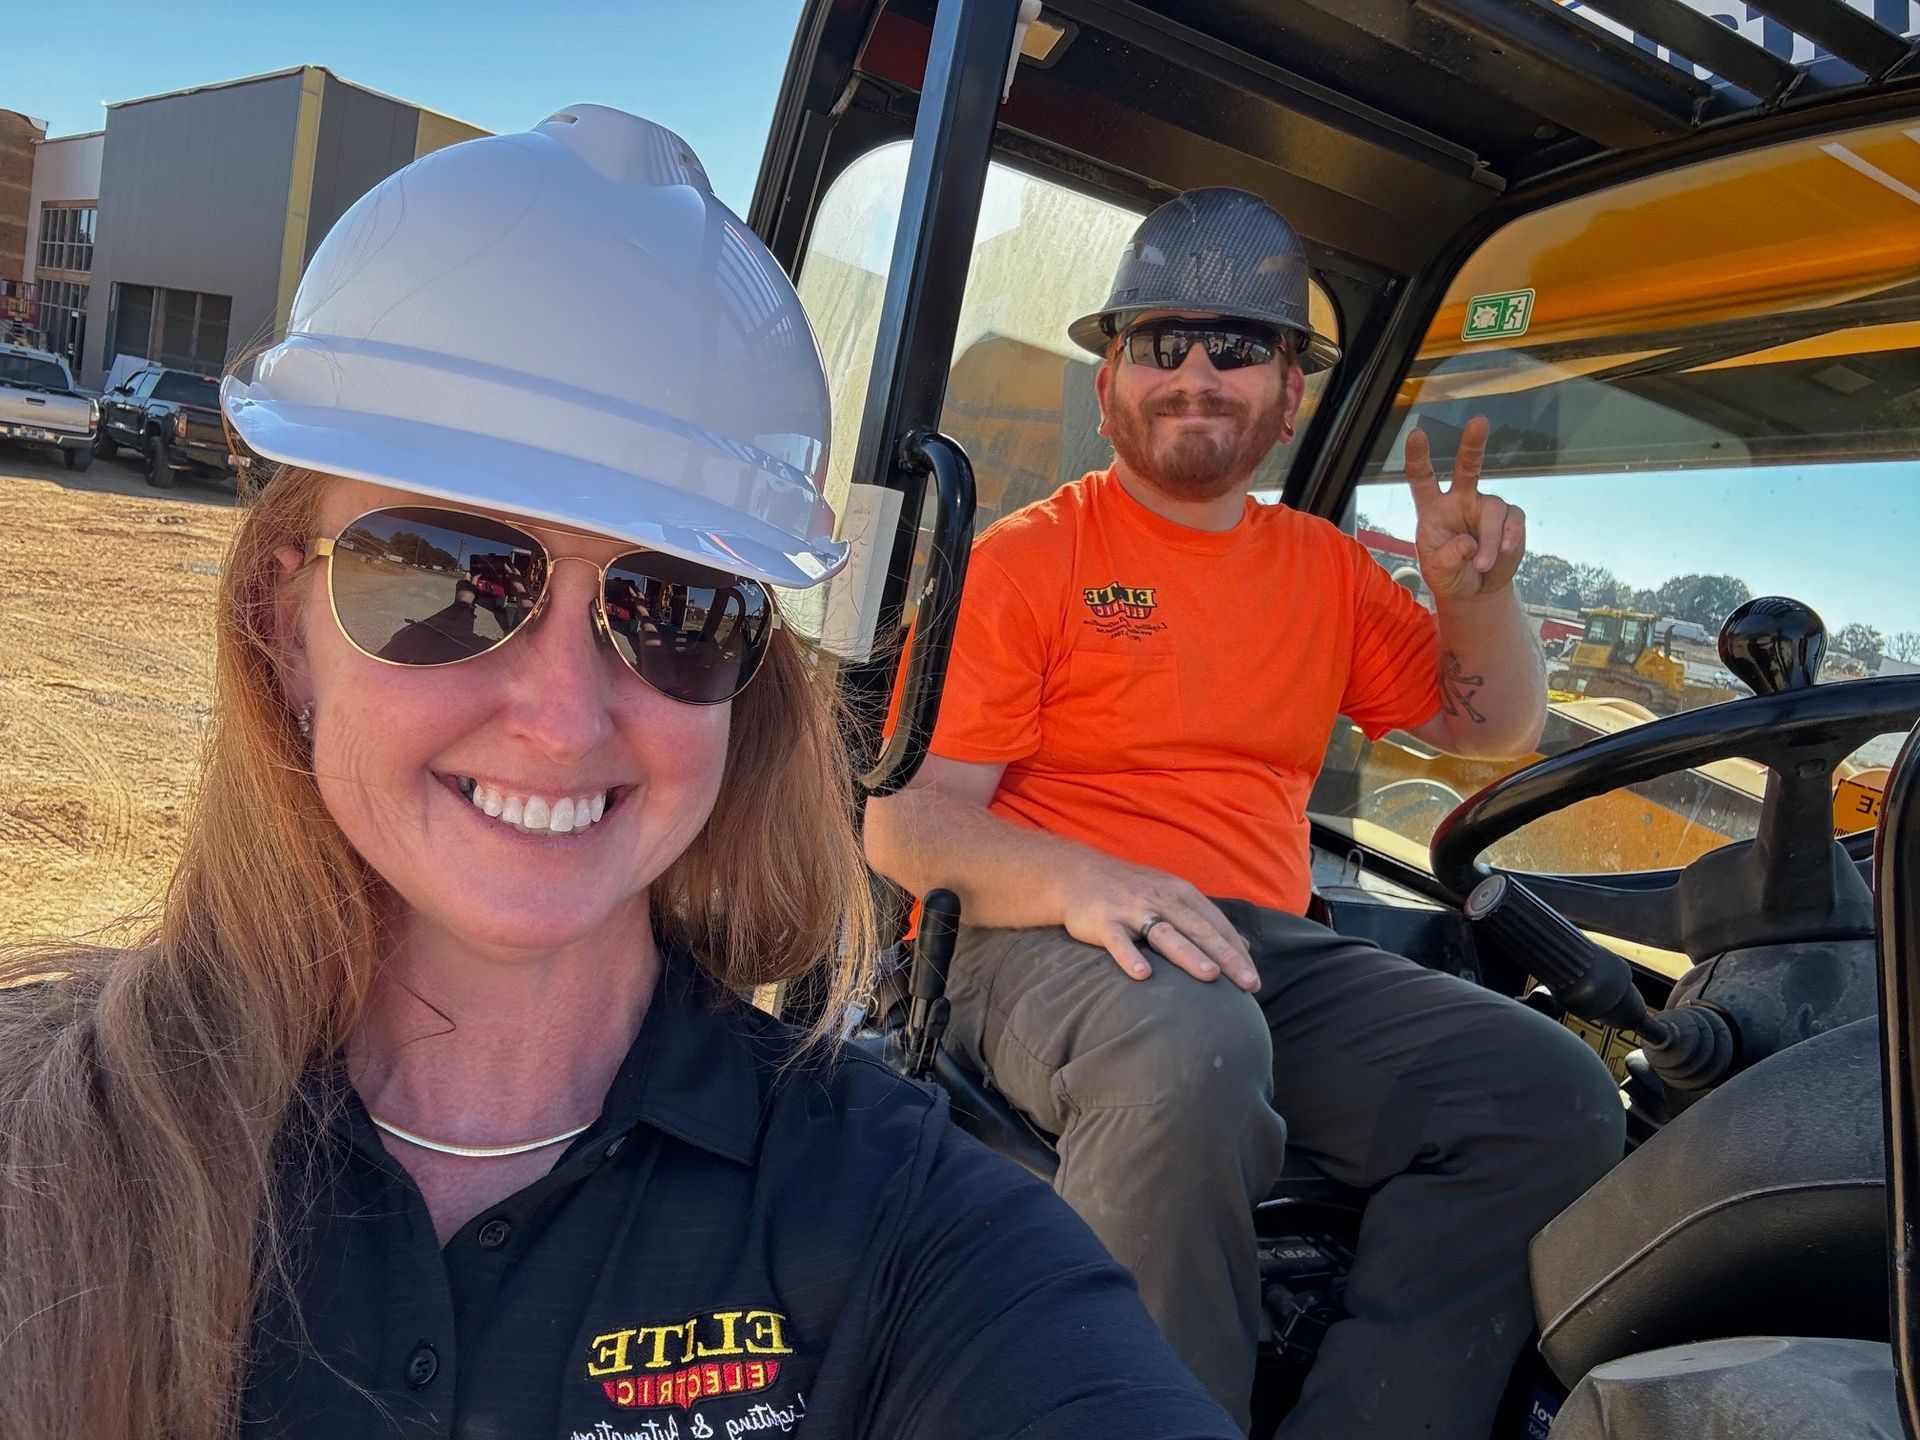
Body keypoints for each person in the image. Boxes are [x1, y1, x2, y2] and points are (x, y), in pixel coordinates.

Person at [0, 108, 1242, 1440]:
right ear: (279, 628)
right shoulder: (52, 1157)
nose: (561, 715)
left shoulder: (896, 1221)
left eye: (674, 609)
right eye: (444, 575)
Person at [863, 188, 1626, 1437]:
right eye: (1162, 343)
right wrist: (1088, 881)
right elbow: (909, 829)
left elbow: (1486, 730)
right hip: (1030, 940)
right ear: (1110, 379)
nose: (1196, 372)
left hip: (1251, 946)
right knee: (1187, 1045)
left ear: (1291, 393)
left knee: (1550, 1094)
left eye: (1238, 345)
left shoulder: (1324, 569)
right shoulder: (1029, 560)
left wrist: (1473, 598)